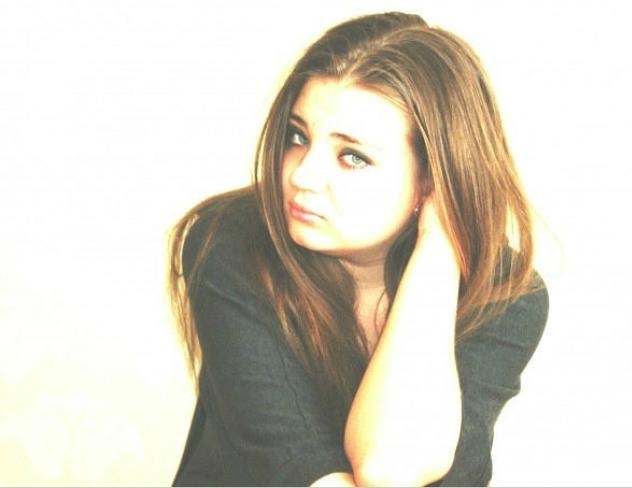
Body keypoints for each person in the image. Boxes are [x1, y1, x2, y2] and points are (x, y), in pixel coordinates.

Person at [168, 11, 549, 487]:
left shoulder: (506, 297)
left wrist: (440, 247)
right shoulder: (231, 244)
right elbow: (301, 467)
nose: (302, 175)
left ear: (432, 181)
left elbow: (392, 465)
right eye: (298, 136)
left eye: (352, 157)